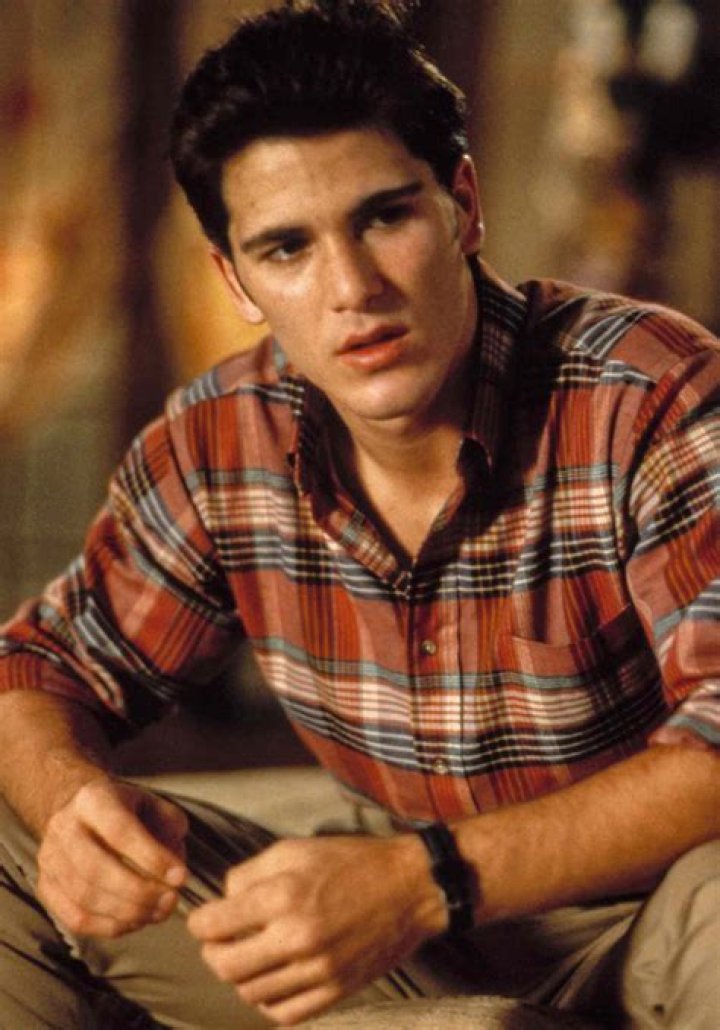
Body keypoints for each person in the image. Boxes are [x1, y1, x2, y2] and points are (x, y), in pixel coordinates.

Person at [0, 1, 718, 1027]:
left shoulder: (650, 394)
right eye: (286, 248)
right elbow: (39, 670)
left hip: (652, 924)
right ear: (234, 279)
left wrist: (426, 881)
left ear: (463, 206)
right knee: (14, 828)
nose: (352, 289)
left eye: (385, 218)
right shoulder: (221, 441)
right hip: (406, 940)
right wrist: (73, 808)